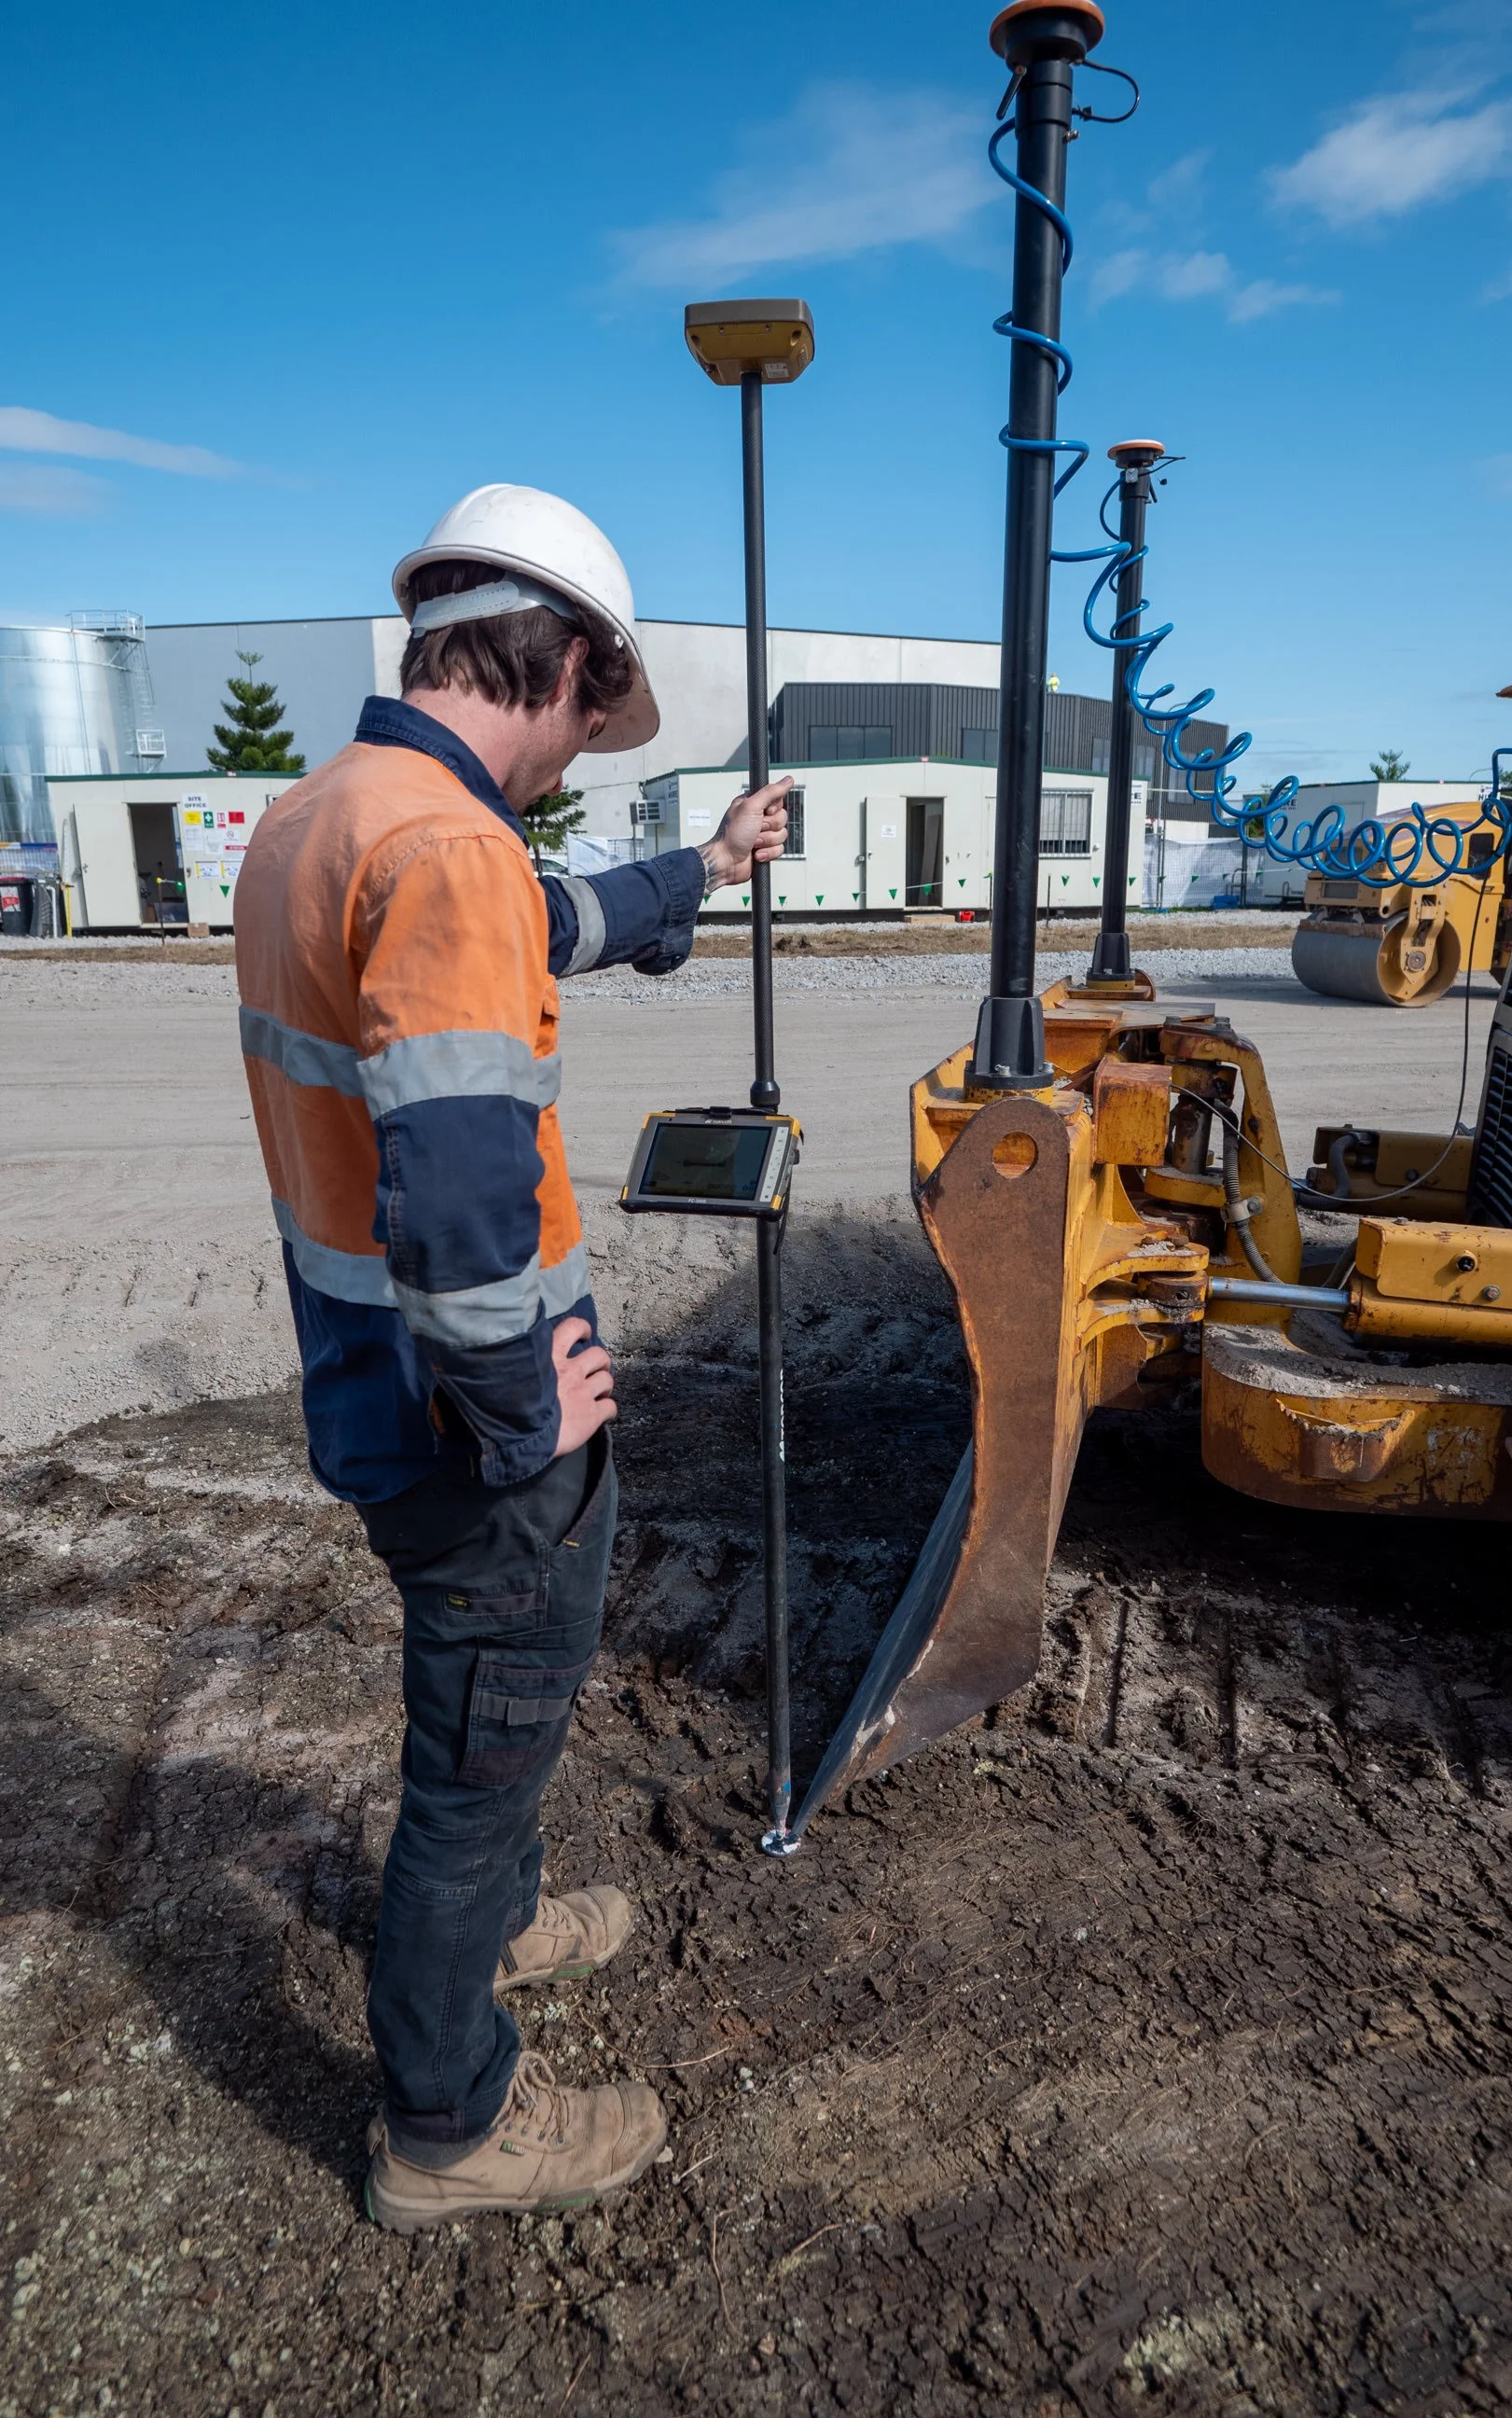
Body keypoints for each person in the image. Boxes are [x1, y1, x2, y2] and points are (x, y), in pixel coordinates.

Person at [233, 484, 789, 2232]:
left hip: (365, 1371)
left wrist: (697, 874)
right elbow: (467, 1184)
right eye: (584, 726)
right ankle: (447, 2125)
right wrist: (523, 1411)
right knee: (481, 1742)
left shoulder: (330, 815)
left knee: (485, 1719)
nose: (567, 768)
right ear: (558, 662)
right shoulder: (451, 847)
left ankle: (503, 1916)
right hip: (473, 1412)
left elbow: (530, 932)